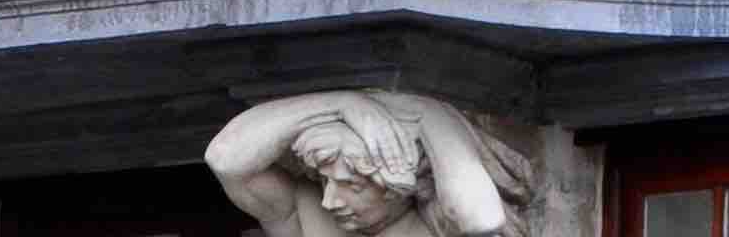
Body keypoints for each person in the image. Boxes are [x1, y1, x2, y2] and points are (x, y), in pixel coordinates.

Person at [207, 93, 531, 237]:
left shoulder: (437, 227)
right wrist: (341, 104)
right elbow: (224, 160)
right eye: (324, 181)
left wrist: (428, 116)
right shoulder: (308, 217)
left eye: (353, 185)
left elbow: (481, 219)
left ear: (399, 188)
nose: (329, 200)